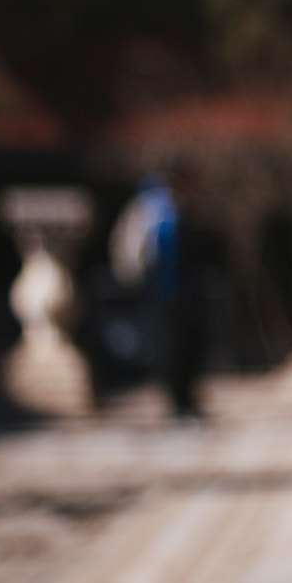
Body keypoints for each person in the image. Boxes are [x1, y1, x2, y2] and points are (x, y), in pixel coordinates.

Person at [111, 163, 204, 418]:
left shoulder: (173, 209)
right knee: (172, 347)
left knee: (187, 346)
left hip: (178, 289)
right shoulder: (154, 209)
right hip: (163, 289)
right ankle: (178, 402)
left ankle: (185, 399)